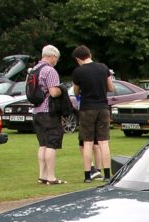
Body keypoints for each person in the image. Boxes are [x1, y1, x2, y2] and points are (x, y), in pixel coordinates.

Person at [72, 44, 114, 183]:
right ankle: (107, 174)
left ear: (78, 59)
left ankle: (87, 176)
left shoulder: (78, 72)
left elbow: (76, 91)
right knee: (103, 142)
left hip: (87, 108)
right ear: (90, 54)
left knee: (87, 143)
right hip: (103, 107)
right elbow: (111, 87)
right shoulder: (103, 68)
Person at [32, 45, 66, 185]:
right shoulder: (50, 71)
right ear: (52, 56)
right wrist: (61, 90)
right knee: (52, 144)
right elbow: (53, 93)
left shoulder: (33, 70)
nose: (56, 61)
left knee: (42, 144)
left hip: (36, 111)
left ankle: (42, 175)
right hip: (49, 111)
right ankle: (51, 177)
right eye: (56, 58)